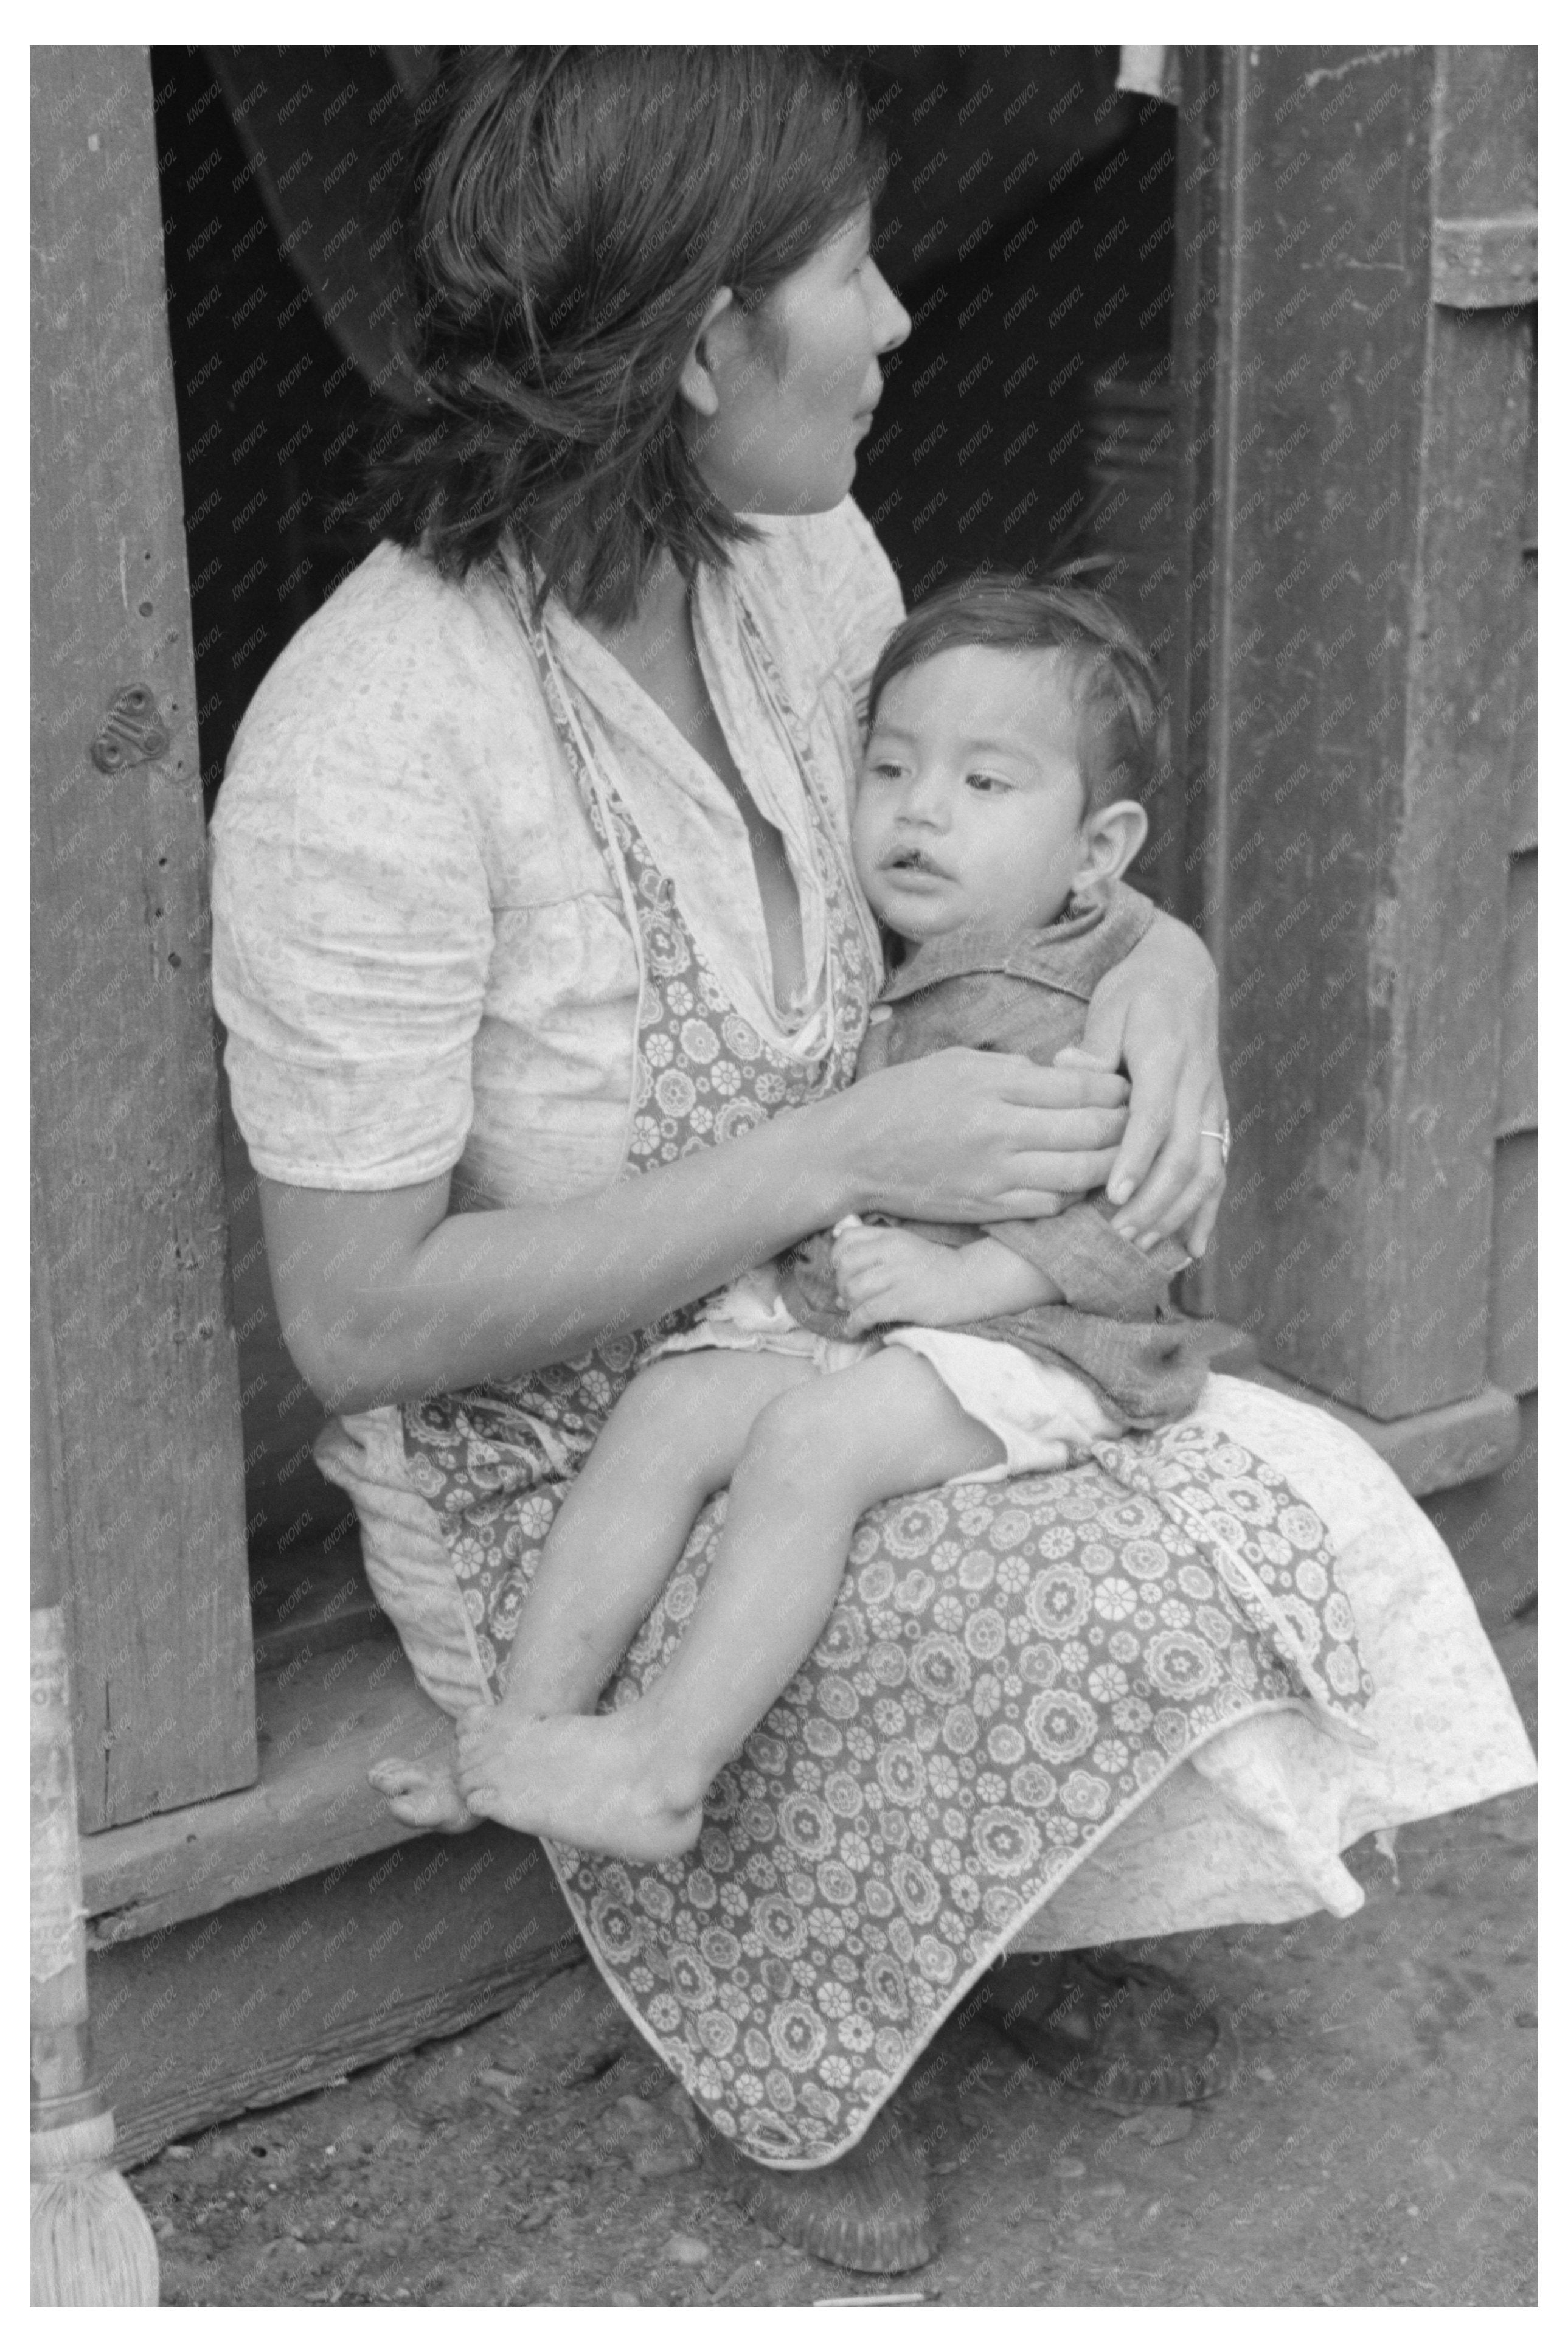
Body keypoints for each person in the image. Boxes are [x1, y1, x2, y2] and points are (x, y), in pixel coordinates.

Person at [210, 48, 1536, 2275]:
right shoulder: (368, 742)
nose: (902, 318)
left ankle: (917, 1881)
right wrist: (845, 1141)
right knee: (1102, 1579)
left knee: (1273, 1483)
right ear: (714, 336)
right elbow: (354, 1317)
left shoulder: (801, 551)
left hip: (846, 1309)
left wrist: (1166, 963)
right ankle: (790, 2013)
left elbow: (989, 839)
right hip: (571, 1467)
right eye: (849, 270)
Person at [454, 577, 1214, 1864]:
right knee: (672, 1403)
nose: (920, 810)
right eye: (892, 767)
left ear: (1095, 851)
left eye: (986, 785)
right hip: (886, 1323)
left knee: (811, 1444)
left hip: (1049, 1348)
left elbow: (1146, 1234)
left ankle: (664, 1763)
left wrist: (958, 1277)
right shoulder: (889, 941)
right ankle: (522, 1724)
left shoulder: (1101, 1009)